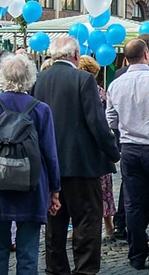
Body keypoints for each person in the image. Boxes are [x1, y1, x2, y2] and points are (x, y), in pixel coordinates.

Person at [31, 36, 120, 275]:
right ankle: (85, 270)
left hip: (49, 164)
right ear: (76, 54)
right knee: (87, 222)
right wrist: (112, 151)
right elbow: (96, 122)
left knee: (54, 225)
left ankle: (56, 270)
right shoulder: (83, 79)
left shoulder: (38, 80)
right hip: (82, 165)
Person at [0, 54, 61, 275]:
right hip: (32, 185)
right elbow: (50, 152)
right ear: (30, 78)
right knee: (28, 252)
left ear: (2, 77)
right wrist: (54, 190)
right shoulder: (41, 109)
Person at [107, 39, 149, 270]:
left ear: (126, 58)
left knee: (133, 203)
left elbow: (111, 119)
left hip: (130, 148)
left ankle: (136, 255)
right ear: (146, 54)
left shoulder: (116, 84)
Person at [78, 55, 118, 243]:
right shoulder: (101, 91)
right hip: (100, 148)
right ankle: (108, 225)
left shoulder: (80, 90)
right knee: (104, 190)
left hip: (85, 147)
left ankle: (82, 226)